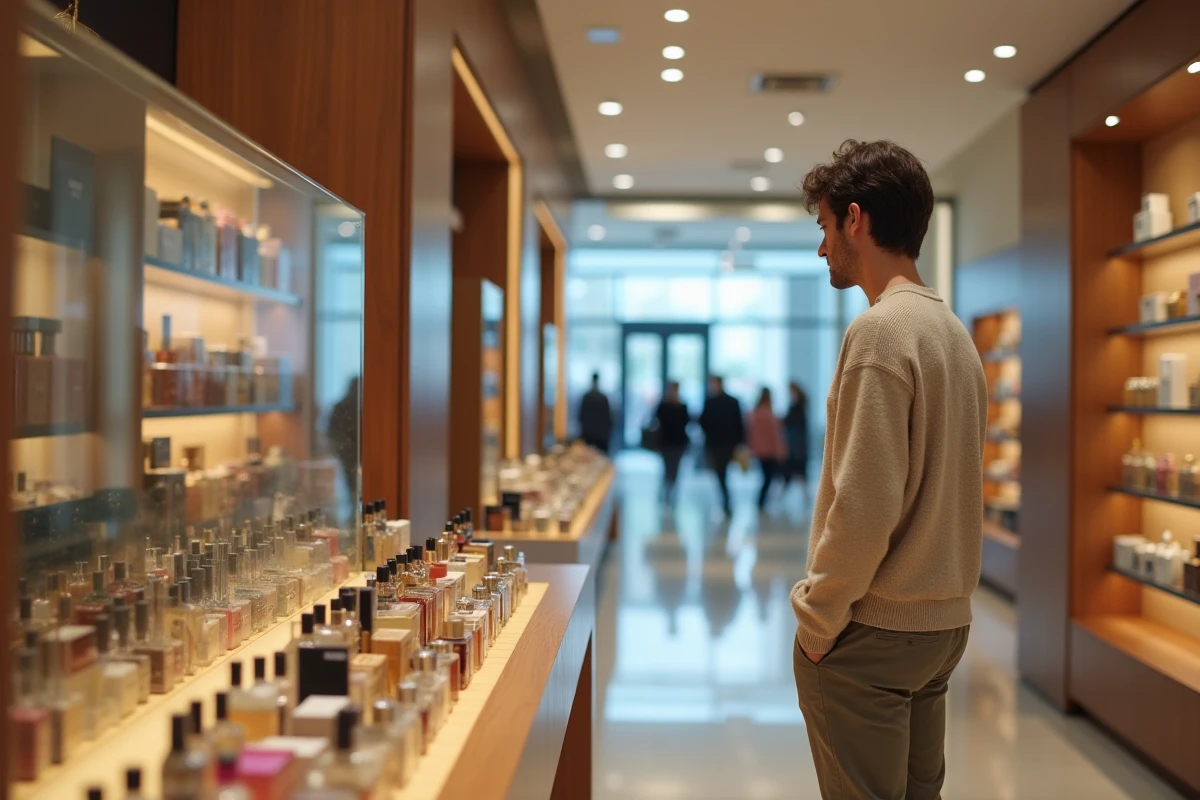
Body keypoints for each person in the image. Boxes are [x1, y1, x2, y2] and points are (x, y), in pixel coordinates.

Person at [790, 140, 986, 800]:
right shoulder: (952, 333)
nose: (821, 249)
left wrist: (817, 620)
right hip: (940, 625)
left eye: (823, 227)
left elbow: (864, 503)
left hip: (874, 631)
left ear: (855, 219)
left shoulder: (880, 332)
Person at [698, 375, 744, 516]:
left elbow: (739, 424)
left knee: (722, 472)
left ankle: (726, 501)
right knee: (720, 472)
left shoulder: (728, 402)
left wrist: (740, 443)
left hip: (725, 443)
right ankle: (726, 501)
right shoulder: (712, 402)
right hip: (717, 443)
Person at [747, 387, 786, 512]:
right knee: (768, 477)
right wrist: (780, 449)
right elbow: (776, 435)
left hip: (759, 450)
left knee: (766, 476)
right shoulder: (769, 414)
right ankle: (761, 501)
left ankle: (761, 501)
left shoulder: (754, 413)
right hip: (770, 450)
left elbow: (750, 433)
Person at [653, 381, 691, 499]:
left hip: (678, 443)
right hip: (666, 442)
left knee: (675, 467)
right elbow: (657, 419)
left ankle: (672, 491)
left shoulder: (682, 406)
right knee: (667, 467)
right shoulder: (664, 405)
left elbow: (686, 422)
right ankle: (666, 491)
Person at [782, 382, 809, 496]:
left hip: (796, 445)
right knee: (794, 471)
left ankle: (805, 495)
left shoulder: (798, 408)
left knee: (796, 470)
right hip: (795, 443)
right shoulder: (797, 406)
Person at [578, 372, 613, 454]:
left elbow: (581, 417)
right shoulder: (602, 397)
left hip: (589, 434)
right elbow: (608, 418)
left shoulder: (587, 397)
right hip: (600, 435)